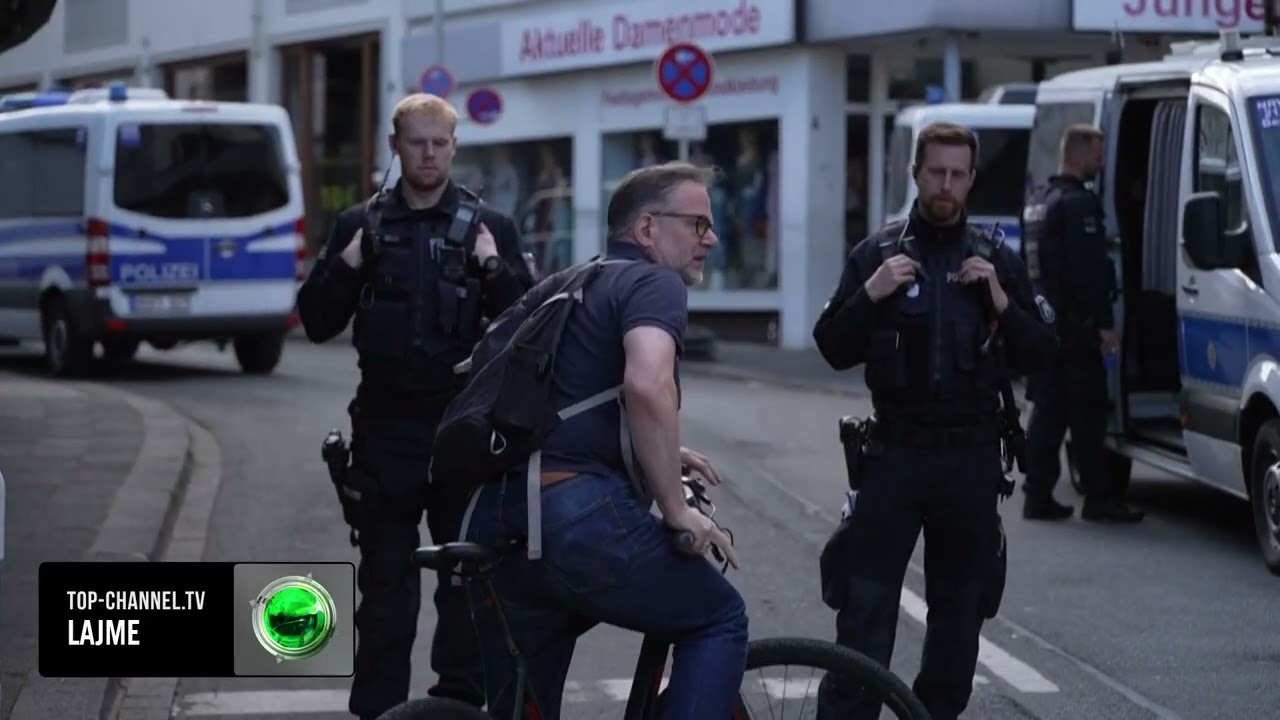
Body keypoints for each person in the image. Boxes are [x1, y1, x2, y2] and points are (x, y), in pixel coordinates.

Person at [460, 161, 748, 720]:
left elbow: (568, 404)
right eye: (698, 224)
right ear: (647, 229)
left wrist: (657, 451)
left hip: (498, 518)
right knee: (718, 617)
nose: (710, 239)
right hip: (572, 516)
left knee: (523, 706)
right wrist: (676, 509)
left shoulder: (573, 282)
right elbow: (647, 384)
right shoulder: (654, 282)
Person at [296, 93, 535, 720]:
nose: (428, 154)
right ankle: (379, 713)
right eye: (416, 142)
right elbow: (316, 321)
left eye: (439, 143)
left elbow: (530, 332)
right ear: (395, 146)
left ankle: (457, 710)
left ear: (454, 148)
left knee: (466, 585)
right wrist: (348, 265)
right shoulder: (361, 225)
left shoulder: (490, 227)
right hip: (386, 433)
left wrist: (493, 268)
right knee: (385, 592)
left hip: (463, 431)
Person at [812, 122, 1057, 720]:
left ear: (971, 180)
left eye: (957, 174)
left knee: (960, 615)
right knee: (864, 611)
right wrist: (871, 293)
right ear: (915, 174)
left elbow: (1042, 354)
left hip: (969, 459)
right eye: (935, 173)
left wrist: (1000, 300)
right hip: (894, 455)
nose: (946, 185)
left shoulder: (995, 259)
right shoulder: (877, 255)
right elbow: (833, 346)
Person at [1022, 124, 1145, 524]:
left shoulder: (1039, 200)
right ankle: (1099, 498)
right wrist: (1104, 325)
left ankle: (1037, 495)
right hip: (1076, 328)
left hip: (1046, 323)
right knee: (1088, 414)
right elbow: (1088, 272)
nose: (1101, 163)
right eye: (1097, 155)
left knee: (1049, 413)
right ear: (1077, 155)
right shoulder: (1078, 205)